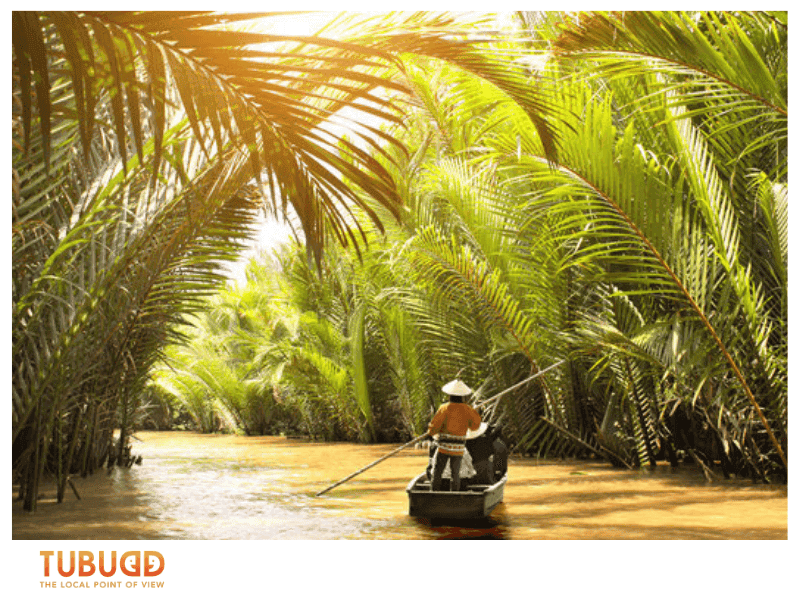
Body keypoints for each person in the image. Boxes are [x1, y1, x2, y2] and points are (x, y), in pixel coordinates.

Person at [426, 378, 482, 491]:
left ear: (449, 395)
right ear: (462, 396)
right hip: (458, 448)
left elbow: (434, 426)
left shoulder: (444, 408)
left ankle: (433, 492)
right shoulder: (467, 409)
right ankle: (454, 494)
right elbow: (475, 425)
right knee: (455, 473)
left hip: (443, 447)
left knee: (438, 472)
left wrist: (429, 433)